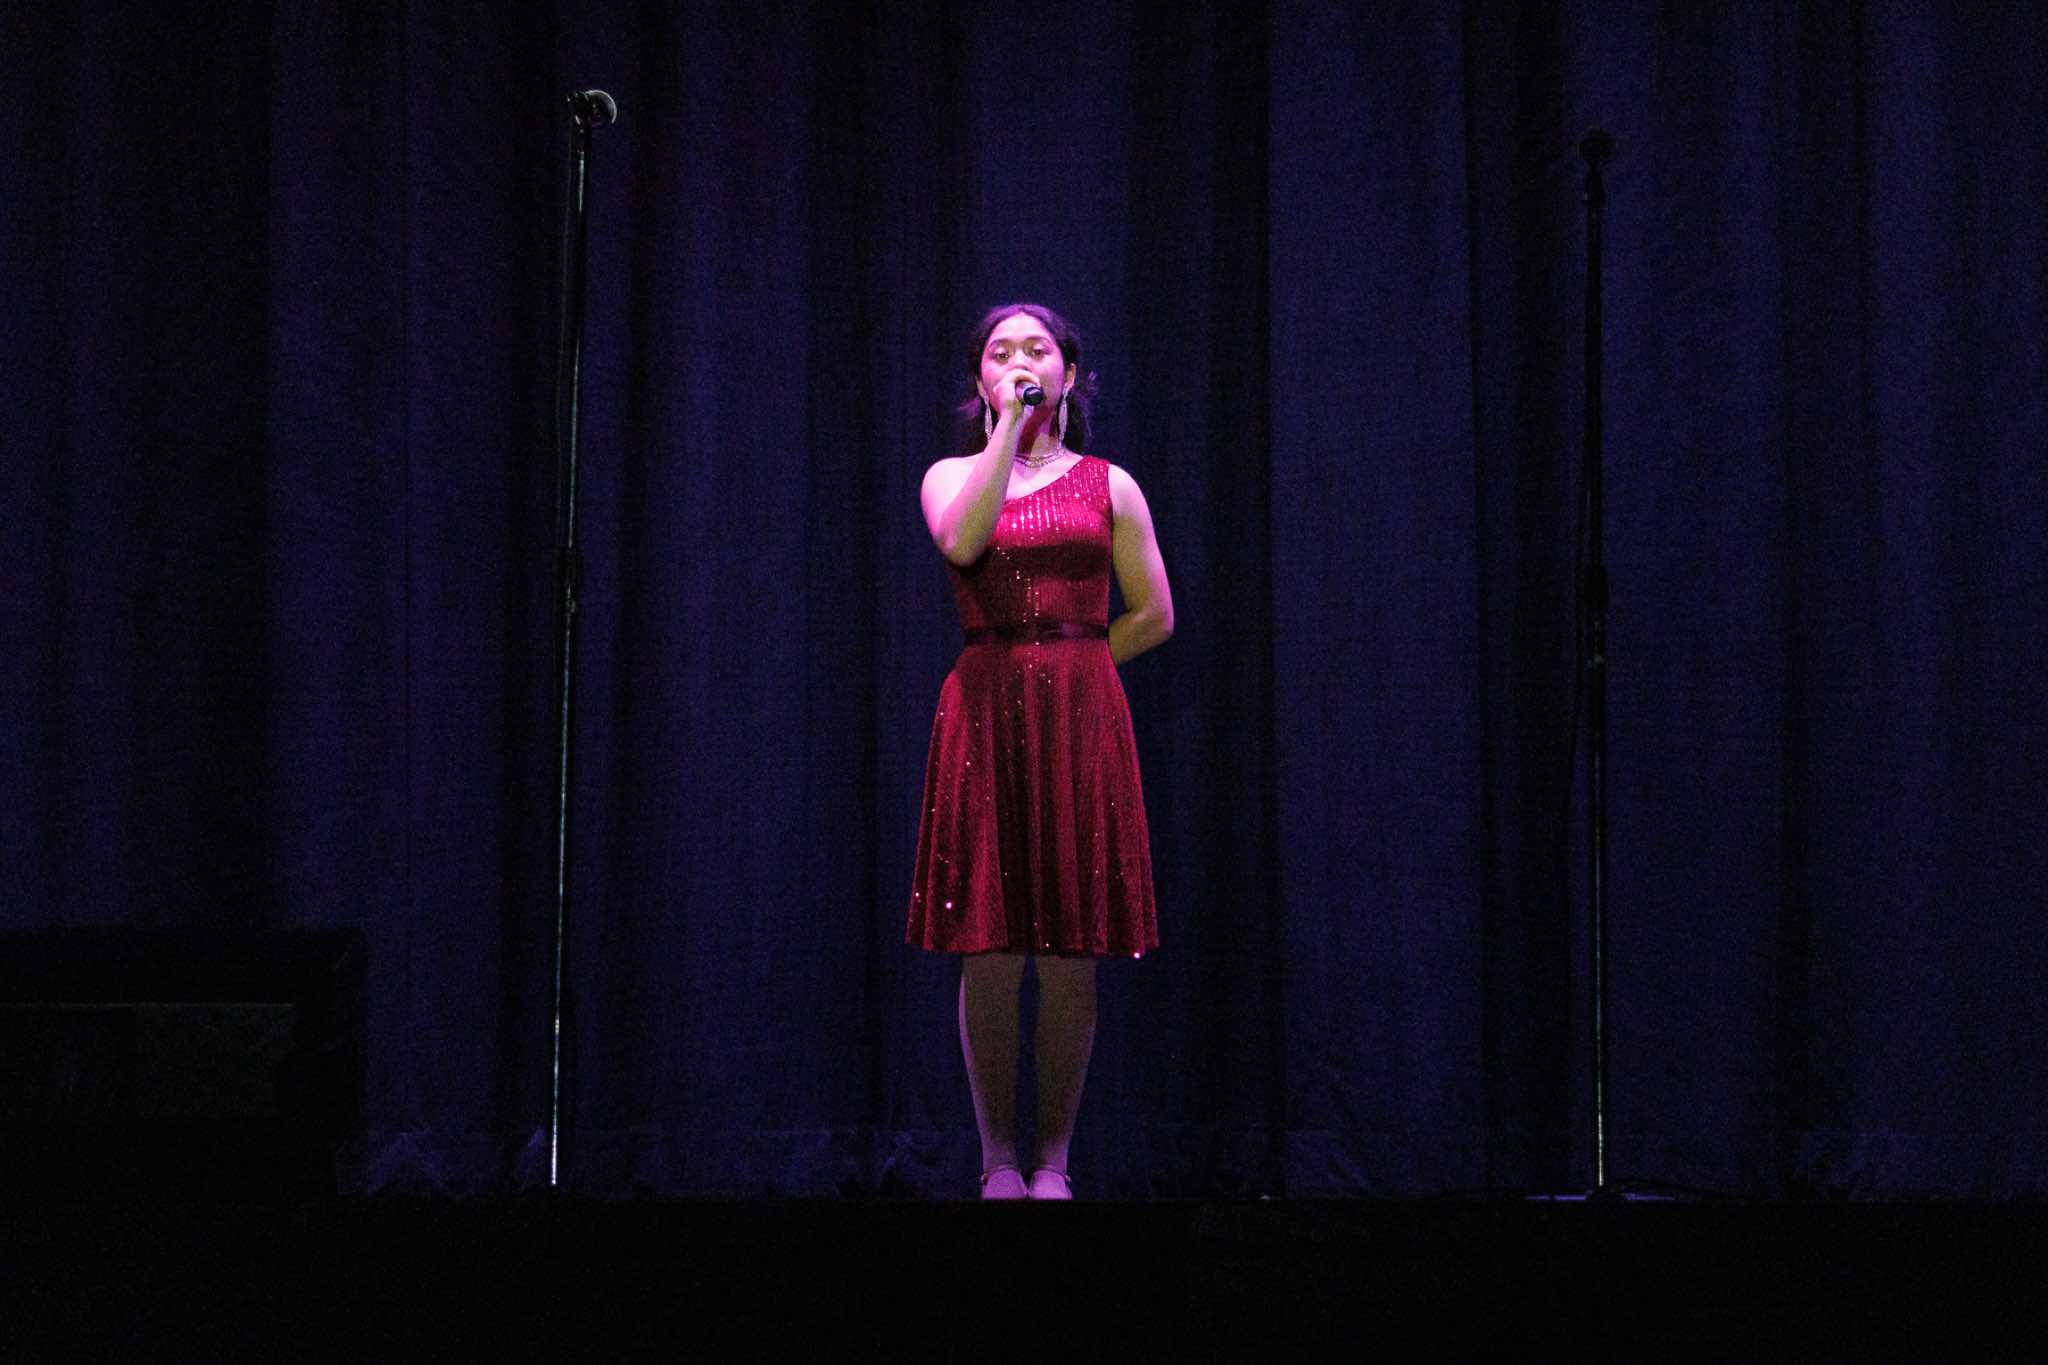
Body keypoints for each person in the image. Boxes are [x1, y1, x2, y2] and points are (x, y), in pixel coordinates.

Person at [906, 303, 1174, 1200]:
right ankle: (996, 1162)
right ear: (980, 380)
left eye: (1038, 349)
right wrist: (1005, 434)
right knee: (988, 942)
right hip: (982, 713)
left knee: (1068, 946)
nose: (1020, 362)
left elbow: (1154, 613)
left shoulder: (1111, 484)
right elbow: (963, 540)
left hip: (1078, 721)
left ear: (1071, 374)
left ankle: (1053, 1161)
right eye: (1000, 353)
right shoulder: (952, 475)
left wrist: (1078, 667)